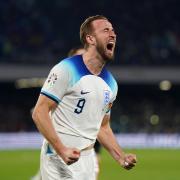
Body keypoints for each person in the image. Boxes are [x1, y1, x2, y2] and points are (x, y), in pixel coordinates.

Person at [32, 15, 137, 180]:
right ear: (90, 39)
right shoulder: (66, 69)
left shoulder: (111, 84)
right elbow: (39, 112)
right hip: (58, 157)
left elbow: (102, 127)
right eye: (105, 30)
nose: (113, 34)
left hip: (88, 160)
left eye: (113, 31)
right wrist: (61, 149)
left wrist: (120, 156)